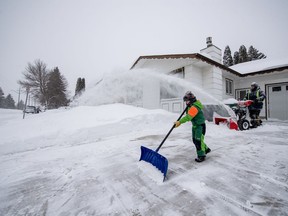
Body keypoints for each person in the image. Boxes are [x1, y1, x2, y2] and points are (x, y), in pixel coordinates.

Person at [174, 91, 211, 162]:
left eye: (187, 101)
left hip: (200, 126)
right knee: (195, 140)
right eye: (185, 101)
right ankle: (206, 149)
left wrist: (179, 122)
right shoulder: (190, 106)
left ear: (191, 100)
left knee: (198, 141)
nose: (186, 103)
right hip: (195, 126)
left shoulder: (194, 107)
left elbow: (189, 117)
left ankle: (201, 155)